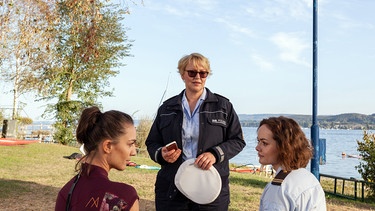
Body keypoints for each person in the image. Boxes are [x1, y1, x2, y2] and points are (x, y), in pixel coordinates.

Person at [146, 52, 246, 210]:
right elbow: (152, 143)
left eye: (203, 73)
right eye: (192, 72)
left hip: (210, 190)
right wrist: (162, 154)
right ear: (182, 75)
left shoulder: (223, 106)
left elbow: (237, 141)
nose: (197, 77)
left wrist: (214, 154)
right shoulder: (166, 108)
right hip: (172, 190)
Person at [55, 106, 139, 211]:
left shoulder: (66, 192)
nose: (134, 152)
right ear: (108, 146)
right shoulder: (124, 197)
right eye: (130, 144)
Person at [255, 116, 326, 210]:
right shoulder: (309, 179)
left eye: (264, 143)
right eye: (258, 141)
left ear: (283, 147)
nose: (257, 147)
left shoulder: (280, 189)